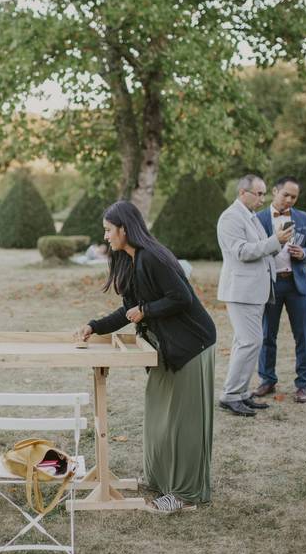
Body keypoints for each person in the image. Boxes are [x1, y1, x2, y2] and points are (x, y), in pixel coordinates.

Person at [76, 201, 217, 514]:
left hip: (191, 345)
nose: (105, 236)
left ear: (125, 229)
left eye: (109, 230)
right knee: (159, 420)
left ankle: (184, 496)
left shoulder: (152, 257)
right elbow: (129, 311)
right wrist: (94, 326)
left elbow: (181, 297)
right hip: (165, 350)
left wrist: (148, 310)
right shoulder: (129, 261)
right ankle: (161, 480)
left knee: (183, 425)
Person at [217, 174, 292, 417]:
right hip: (241, 291)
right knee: (250, 342)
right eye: (258, 193)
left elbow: (262, 249)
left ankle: (239, 394)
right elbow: (242, 252)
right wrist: (274, 241)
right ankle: (230, 395)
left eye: (263, 194)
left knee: (247, 342)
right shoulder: (230, 217)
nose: (262, 198)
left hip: (255, 290)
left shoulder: (249, 216)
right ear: (242, 193)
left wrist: (280, 242)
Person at [254, 176, 306, 403]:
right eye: (286, 195)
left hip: (297, 284)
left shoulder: (303, 218)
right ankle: (267, 379)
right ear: (275, 192)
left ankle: (303, 384)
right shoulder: (258, 218)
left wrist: (305, 254)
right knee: (267, 334)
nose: (290, 200)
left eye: (294, 197)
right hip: (270, 284)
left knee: (302, 335)